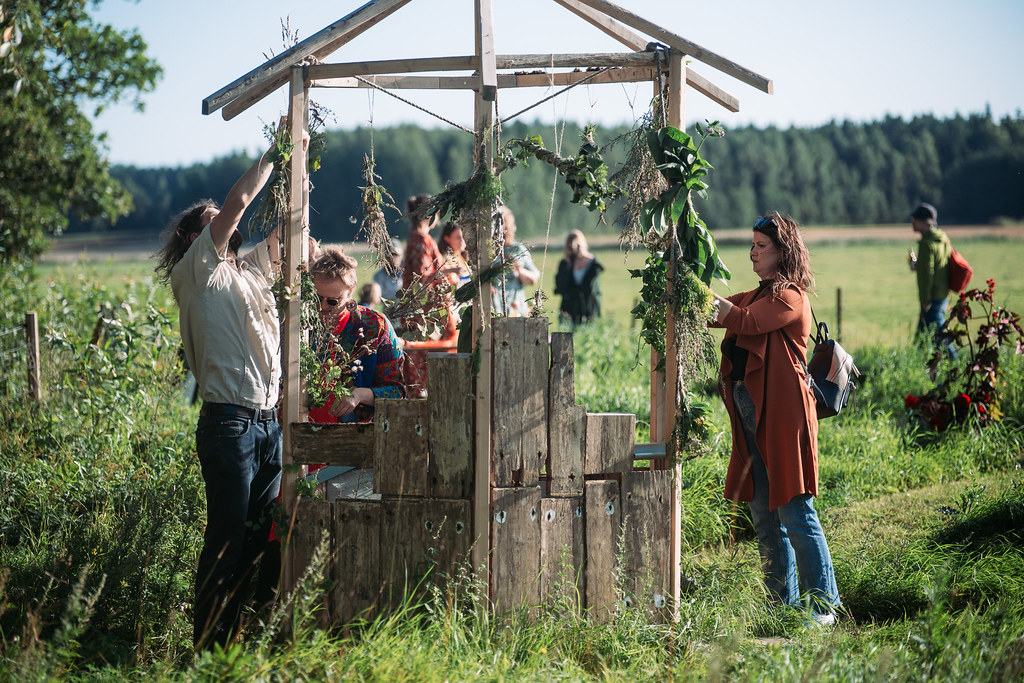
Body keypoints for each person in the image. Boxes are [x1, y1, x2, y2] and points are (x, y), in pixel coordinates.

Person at [154, 142, 283, 649]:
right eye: (212, 223)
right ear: (196, 236)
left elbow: (284, 239)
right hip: (230, 424)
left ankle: (242, 645)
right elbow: (239, 201)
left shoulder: (243, 273)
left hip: (268, 425)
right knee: (227, 542)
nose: (224, 227)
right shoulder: (198, 270)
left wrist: (303, 175)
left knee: (258, 542)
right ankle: (209, 652)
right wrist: (280, 149)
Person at [711, 212, 842, 627]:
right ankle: (779, 605)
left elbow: (744, 321)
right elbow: (728, 311)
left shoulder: (789, 297)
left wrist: (700, 296)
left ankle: (824, 606)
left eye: (761, 246)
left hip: (784, 418)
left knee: (795, 511)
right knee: (765, 515)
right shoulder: (758, 294)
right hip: (755, 415)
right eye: (751, 244)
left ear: (783, 251)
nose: (752, 252)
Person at [307, 246, 404, 425]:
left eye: (333, 301)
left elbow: (396, 391)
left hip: (353, 433)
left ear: (351, 292)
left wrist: (359, 395)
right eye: (316, 298)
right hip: (300, 427)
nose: (323, 307)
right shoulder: (301, 322)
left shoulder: (374, 325)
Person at [908, 202, 954, 349]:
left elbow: (928, 274)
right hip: (942, 294)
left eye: (914, 219)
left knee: (940, 338)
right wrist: (916, 265)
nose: (912, 222)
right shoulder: (942, 239)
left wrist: (925, 300)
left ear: (924, 222)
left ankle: (957, 366)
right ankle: (918, 368)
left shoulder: (927, 244)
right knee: (921, 339)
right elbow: (937, 265)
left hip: (932, 298)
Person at [491, 205, 539, 316]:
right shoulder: (486, 250)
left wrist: (519, 269)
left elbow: (533, 278)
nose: (500, 229)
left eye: (503, 225)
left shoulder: (517, 249)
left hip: (514, 302)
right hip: (492, 302)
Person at [553, 229, 603, 325]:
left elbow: (589, 288)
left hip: (588, 312)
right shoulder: (565, 263)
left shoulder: (593, 264)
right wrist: (568, 264)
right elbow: (560, 285)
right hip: (568, 311)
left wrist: (570, 291)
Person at [373, 237, 403, 302]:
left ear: (401, 255)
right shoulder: (379, 275)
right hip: (389, 311)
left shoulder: (409, 272)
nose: (393, 257)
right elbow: (379, 297)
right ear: (386, 256)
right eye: (391, 254)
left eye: (396, 254)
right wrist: (397, 294)